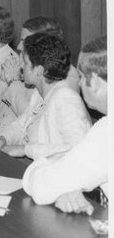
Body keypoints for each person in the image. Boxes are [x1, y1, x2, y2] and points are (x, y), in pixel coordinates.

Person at [22, 36, 108, 215]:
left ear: (97, 83)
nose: (78, 82)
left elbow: (42, 188)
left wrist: (47, 163)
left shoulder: (106, 132)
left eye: (83, 76)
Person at [0, 33, 91, 160]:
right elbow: (21, 124)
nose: (20, 66)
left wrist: (25, 150)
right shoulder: (41, 94)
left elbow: (77, 149)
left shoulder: (65, 98)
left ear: (39, 70)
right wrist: (2, 138)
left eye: (25, 63)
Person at [0, 16, 80, 125]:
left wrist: (13, 81)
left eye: (25, 41)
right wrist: (3, 81)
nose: (18, 46)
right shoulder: (27, 65)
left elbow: (33, 118)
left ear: (44, 43)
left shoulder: (66, 74)